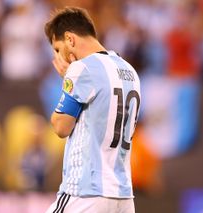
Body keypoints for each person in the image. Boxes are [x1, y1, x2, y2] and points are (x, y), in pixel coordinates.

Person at [44, 7, 141, 212]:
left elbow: (61, 127)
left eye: (58, 49)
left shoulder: (81, 69)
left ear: (70, 39)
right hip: (123, 196)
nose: (60, 58)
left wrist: (68, 81)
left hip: (85, 192)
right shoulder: (130, 71)